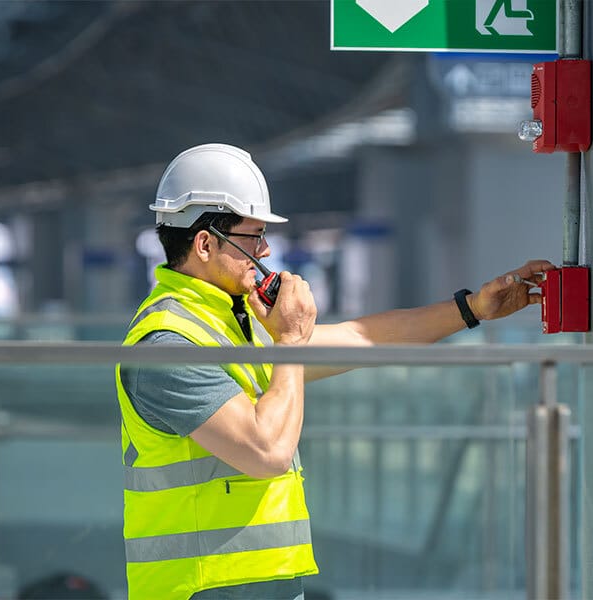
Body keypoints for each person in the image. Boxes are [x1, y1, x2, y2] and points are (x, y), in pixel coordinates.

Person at [116, 143, 554, 599]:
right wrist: (289, 340)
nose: (265, 251)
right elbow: (266, 452)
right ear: (205, 243)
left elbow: (363, 338)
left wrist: (472, 308)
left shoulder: (230, 323)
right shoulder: (168, 346)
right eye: (253, 237)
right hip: (202, 590)